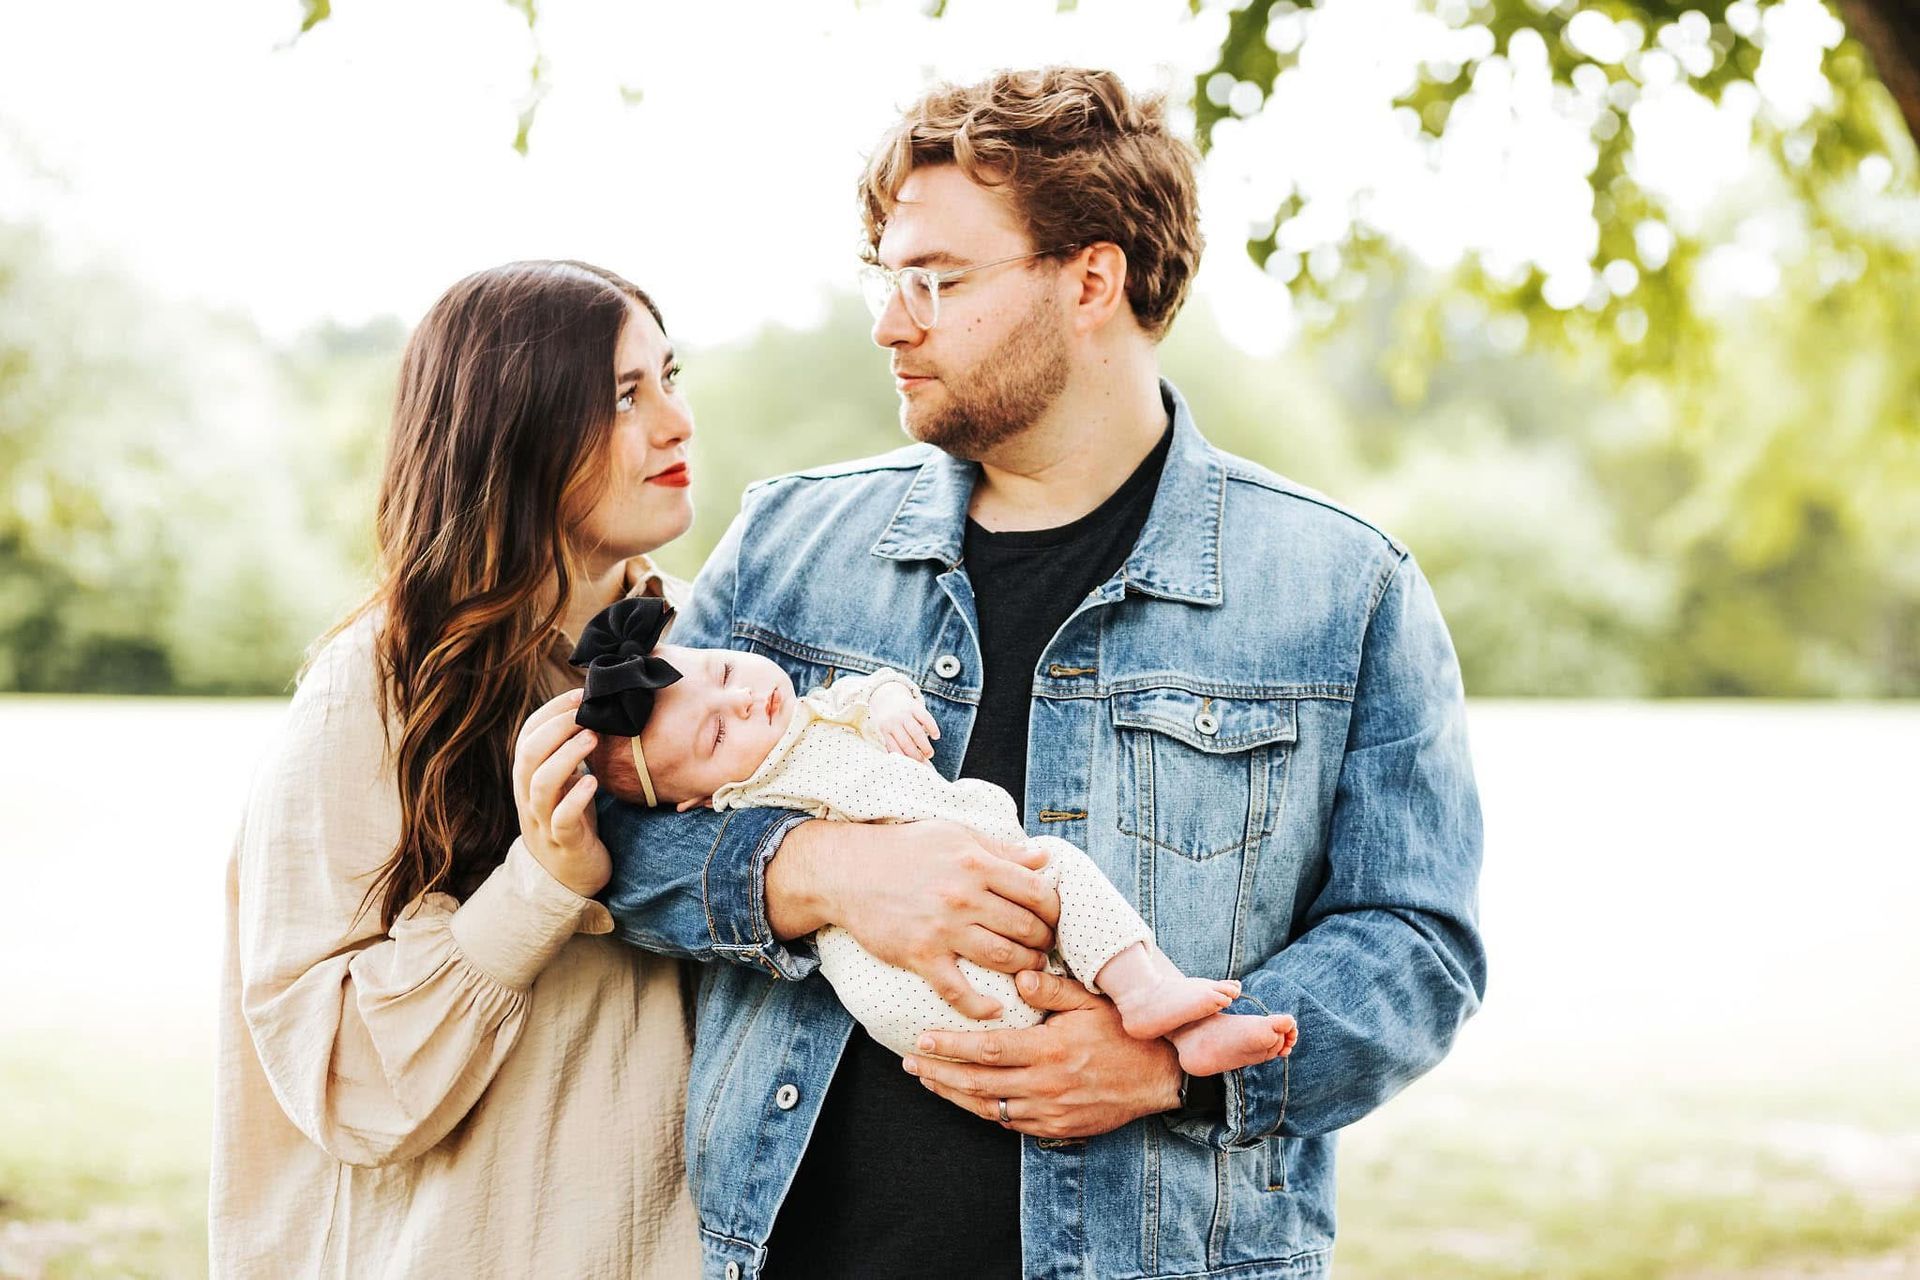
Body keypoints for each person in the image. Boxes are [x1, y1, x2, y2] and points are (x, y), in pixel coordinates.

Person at [524, 66, 1486, 1280]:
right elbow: (610, 823)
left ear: (1094, 278)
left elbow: (1418, 946)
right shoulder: (785, 547)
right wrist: (816, 868)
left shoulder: (1345, 587)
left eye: (937, 279)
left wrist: (1171, 1064)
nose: (890, 320)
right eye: (889, 277)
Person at [210, 260, 703, 1277]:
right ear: (513, 430)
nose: (676, 421)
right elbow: (334, 1065)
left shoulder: (709, 650)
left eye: (669, 375)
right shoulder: (376, 689)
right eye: (623, 395)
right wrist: (540, 885)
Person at [565, 596, 1299, 1075]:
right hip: (900, 975)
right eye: (718, 731)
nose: (745, 698)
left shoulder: (819, 706)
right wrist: (831, 872)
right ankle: (1138, 1004)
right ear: (697, 800)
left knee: (1054, 900)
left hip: (988, 913)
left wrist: (889, 702)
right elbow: (630, 857)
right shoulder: (746, 795)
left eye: (724, 670)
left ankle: (1174, 1028)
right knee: (1050, 881)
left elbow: (875, 687)